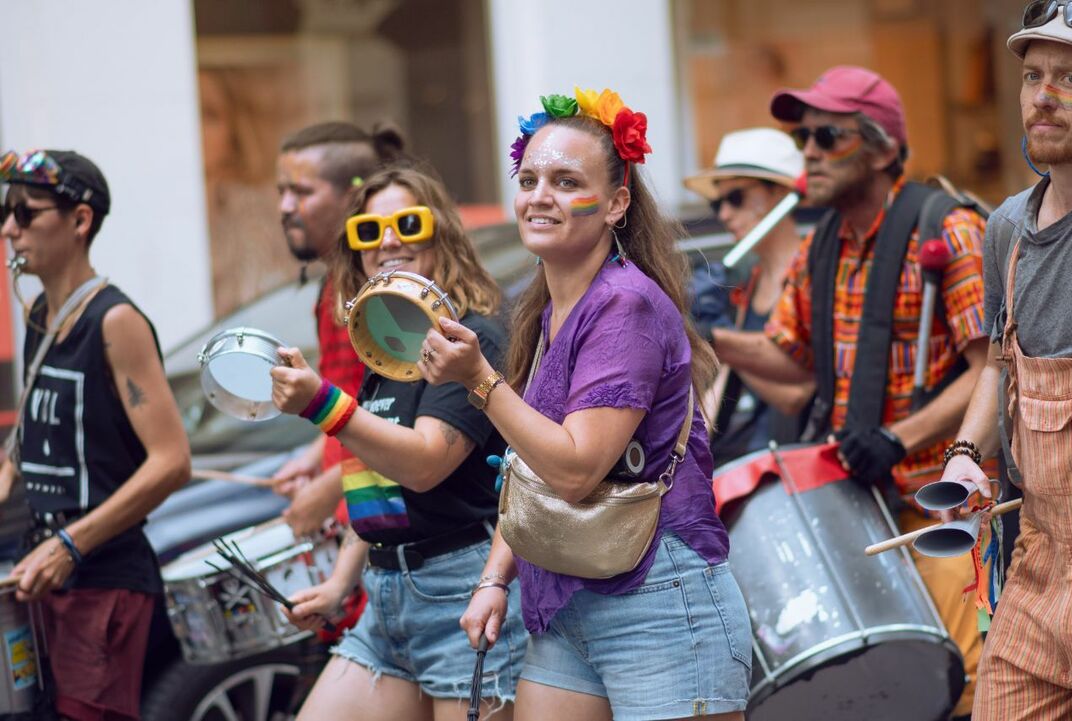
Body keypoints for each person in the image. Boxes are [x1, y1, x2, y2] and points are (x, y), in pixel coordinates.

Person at [421, 89, 752, 720]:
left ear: (615, 203)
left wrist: (481, 382)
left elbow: (574, 471)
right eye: (530, 178)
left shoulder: (623, 305)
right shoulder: (545, 311)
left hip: (658, 600)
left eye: (566, 180)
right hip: (566, 600)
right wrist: (496, 577)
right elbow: (531, 469)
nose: (540, 195)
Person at [710, 67, 990, 719]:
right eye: (802, 136)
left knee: (963, 686)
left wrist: (900, 437)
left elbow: (991, 369)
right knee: (872, 693)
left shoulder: (947, 229)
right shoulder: (820, 245)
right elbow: (786, 358)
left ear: (884, 149)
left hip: (940, 508)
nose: (808, 150)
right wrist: (707, 335)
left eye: (827, 135)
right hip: (857, 510)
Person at [270, 165, 525, 720]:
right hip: (385, 595)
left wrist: (322, 404)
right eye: (368, 229)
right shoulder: (384, 338)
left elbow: (426, 464)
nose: (387, 241)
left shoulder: (472, 335)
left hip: (463, 590)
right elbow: (377, 475)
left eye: (407, 224)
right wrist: (340, 584)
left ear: (441, 236)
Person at [0, 149, 190, 720]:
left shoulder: (115, 321)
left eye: (26, 213)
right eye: (6, 212)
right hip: (43, 570)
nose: (9, 228)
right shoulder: (37, 314)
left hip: (104, 575)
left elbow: (172, 462)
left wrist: (71, 543)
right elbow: (26, 447)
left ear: (79, 221)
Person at [940, 4, 1072, 717]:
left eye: (1070, 77)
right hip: (1038, 562)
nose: (1043, 95)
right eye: (1032, 76)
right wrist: (967, 450)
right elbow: (1001, 364)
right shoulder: (1006, 232)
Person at [272, 121, 406, 537]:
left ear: (354, 197)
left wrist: (329, 489)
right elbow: (354, 398)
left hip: (385, 514)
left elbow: (400, 416)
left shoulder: (383, 290)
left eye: (302, 192)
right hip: (358, 510)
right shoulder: (335, 284)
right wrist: (316, 457)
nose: (286, 207)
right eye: (282, 192)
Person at [683, 127, 814, 464]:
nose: (724, 214)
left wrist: (720, 342)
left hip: (800, 467)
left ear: (780, 193)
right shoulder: (752, 281)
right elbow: (730, 377)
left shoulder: (810, 272)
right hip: (753, 464)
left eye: (736, 198)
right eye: (717, 202)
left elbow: (796, 395)